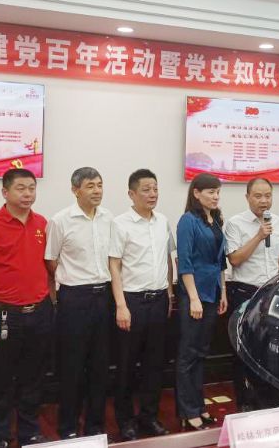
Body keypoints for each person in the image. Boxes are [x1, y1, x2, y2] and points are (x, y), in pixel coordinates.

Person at [0, 168, 52, 448]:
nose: (28, 194)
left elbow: (48, 268)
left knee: (33, 379)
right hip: (3, 314)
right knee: (1, 380)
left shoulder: (42, 223)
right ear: (5, 192)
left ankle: (30, 433)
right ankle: (1, 437)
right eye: (21, 188)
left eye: (31, 188)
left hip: (40, 312)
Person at [45, 167, 113, 439]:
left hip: (104, 296)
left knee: (100, 366)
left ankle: (95, 427)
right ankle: (68, 428)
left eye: (100, 185)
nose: (97, 190)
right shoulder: (60, 220)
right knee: (71, 366)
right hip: (74, 298)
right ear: (75, 190)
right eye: (90, 186)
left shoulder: (109, 218)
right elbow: (51, 260)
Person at [109, 169, 175, 441]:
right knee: (126, 365)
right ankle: (125, 421)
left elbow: (167, 260)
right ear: (131, 194)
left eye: (155, 189)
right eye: (146, 189)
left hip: (159, 299)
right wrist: (121, 305)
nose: (152, 194)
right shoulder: (120, 224)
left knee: (154, 364)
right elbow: (114, 265)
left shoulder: (162, 221)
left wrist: (169, 293)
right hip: (132, 301)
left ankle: (149, 416)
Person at [224, 177, 279, 411]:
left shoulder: (278, 222)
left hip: (272, 293)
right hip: (246, 293)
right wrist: (259, 236)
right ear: (247, 197)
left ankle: (270, 399)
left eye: (268, 196)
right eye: (258, 196)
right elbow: (235, 259)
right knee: (244, 350)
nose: (264, 201)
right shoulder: (235, 223)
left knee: (271, 349)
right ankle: (245, 402)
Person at [175, 174, 228, 430]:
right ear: (196, 193)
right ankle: (187, 410)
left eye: (217, 192)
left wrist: (223, 292)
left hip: (212, 292)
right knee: (188, 354)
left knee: (201, 353)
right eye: (210, 192)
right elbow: (184, 262)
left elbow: (221, 261)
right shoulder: (188, 220)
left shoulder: (215, 219)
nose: (215, 196)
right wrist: (194, 298)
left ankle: (199, 406)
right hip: (194, 295)